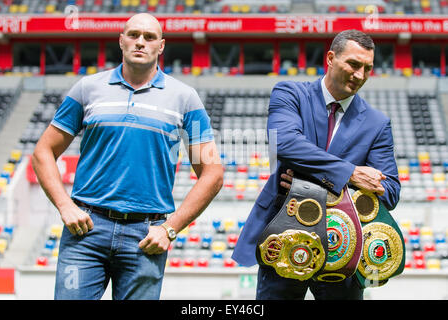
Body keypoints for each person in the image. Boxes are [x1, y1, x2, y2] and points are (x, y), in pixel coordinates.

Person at [32, 13, 224, 300]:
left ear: (161, 46)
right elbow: (43, 152)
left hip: (146, 236)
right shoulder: (87, 89)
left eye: (149, 37)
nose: (140, 42)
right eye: (133, 35)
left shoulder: (185, 98)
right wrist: (64, 205)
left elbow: (213, 173)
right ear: (121, 41)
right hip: (86, 230)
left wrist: (170, 229)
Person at [232, 29, 400, 300]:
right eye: (353, 65)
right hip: (283, 238)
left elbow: (390, 191)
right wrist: (352, 173)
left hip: (344, 255)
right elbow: (285, 144)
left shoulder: (378, 123)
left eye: (367, 68)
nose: (360, 75)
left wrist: (305, 182)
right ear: (330, 58)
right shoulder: (289, 93)